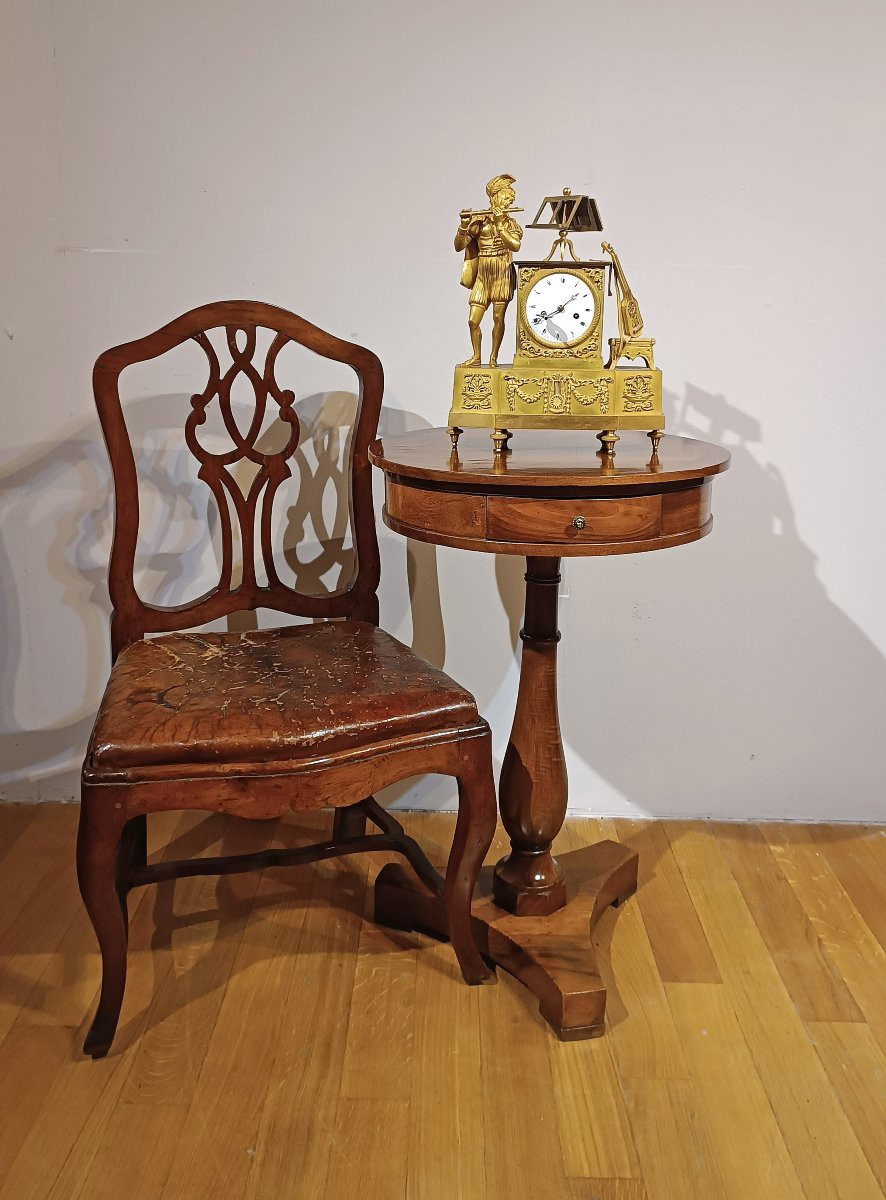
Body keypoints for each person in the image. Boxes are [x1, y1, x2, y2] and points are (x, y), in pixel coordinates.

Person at [455, 174, 523, 368]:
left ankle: (493, 357)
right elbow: (459, 246)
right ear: (494, 197)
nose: (509, 202)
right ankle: (476, 356)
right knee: (473, 320)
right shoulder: (479, 222)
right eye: (506, 197)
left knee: (498, 318)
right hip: (483, 275)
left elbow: (515, 245)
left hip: (502, 271)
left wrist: (500, 224)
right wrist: (463, 226)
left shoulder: (510, 224)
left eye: (510, 199)